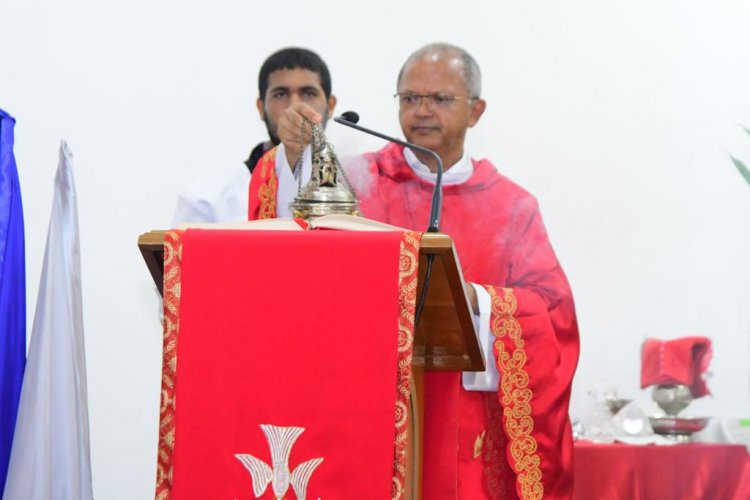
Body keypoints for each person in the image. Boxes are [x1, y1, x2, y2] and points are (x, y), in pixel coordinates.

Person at [250, 43, 580, 499]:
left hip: (464, 424)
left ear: (476, 111)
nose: (422, 111)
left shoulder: (511, 206)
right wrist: (295, 156)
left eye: (440, 99)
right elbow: (298, 245)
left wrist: (479, 302)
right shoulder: (357, 183)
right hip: (368, 412)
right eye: (409, 98)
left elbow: (553, 310)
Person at [172, 47, 336, 225]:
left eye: (308, 93)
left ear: (330, 105)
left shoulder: (360, 186)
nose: (294, 106)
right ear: (261, 107)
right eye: (281, 94)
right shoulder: (206, 200)